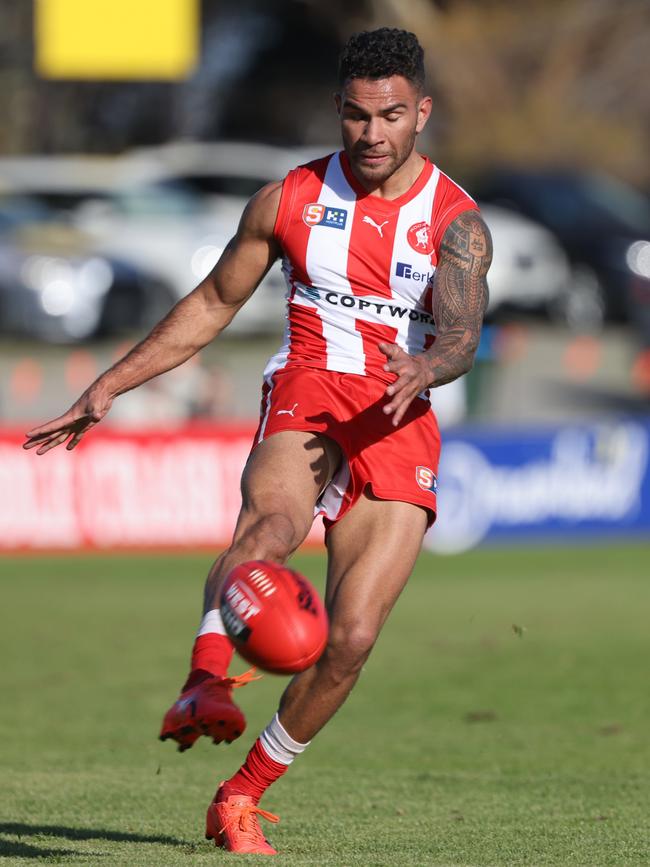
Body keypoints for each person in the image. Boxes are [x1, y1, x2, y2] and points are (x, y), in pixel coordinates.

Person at [23, 28, 492, 857]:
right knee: (267, 533)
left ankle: (240, 794)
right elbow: (210, 302)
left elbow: (462, 334)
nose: (372, 134)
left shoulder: (456, 224)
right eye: (355, 116)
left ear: (421, 112)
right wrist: (111, 384)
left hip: (400, 408)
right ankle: (206, 680)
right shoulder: (290, 200)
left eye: (389, 116)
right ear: (338, 112)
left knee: (348, 640)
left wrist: (427, 364)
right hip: (310, 385)